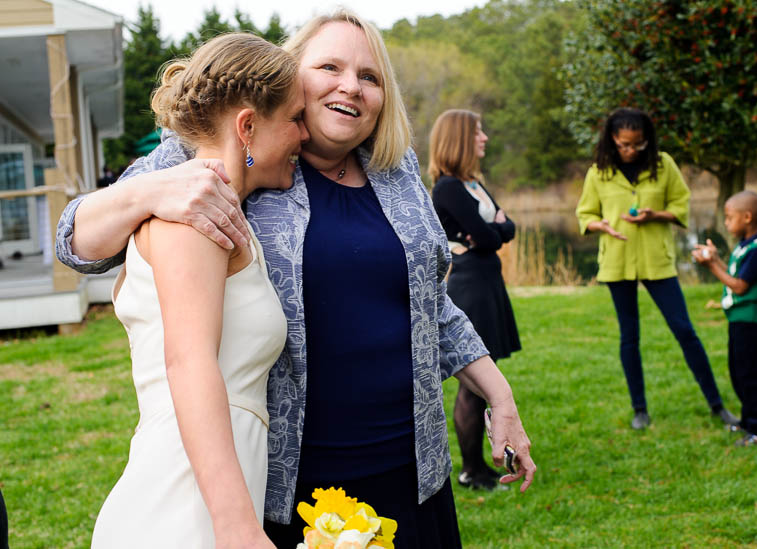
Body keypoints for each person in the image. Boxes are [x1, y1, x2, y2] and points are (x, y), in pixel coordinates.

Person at [56, 10, 536, 548]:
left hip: (411, 465)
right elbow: (76, 243)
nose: (350, 87)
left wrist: (500, 395)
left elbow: (429, 304)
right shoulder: (231, 150)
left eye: (370, 76)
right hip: (295, 482)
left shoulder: (394, 167)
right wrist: (145, 192)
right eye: (329, 66)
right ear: (292, 73)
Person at [87, 33, 305, 548]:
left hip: (212, 494)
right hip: (184, 505)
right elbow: (189, 362)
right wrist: (237, 527)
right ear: (247, 126)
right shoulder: (191, 216)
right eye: (295, 118)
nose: (305, 135)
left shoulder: (223, 210)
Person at [575, 107, 738, 430]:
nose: (631, 151)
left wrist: (656, 215)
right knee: (629, 337)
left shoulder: (663, 164)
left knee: (684, 331)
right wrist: (600, 226)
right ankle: (640, 410)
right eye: (624, 144)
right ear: (612, 140)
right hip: (617, 260)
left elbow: (681, 204)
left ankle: (717, 405)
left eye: (637, 144)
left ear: (647, 140)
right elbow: (585, 214)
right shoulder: (599, 172)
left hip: (657, 260)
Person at [429, 109, 521, 490]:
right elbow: (488, 236)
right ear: (461, 139)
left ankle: (479, 464)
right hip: (470, 285)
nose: (484, 138)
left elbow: (505, 230)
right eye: (478, 132)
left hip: (488, 280)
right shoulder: (448, 186)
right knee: (473, 381)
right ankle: (472, 469)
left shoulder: (473, 184)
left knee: (486, 374)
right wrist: (491, 230)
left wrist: (491, 231)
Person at [692, 190, 757, 446]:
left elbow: (740, 286)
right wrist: (716, 257)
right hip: (739, 319)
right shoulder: (745, 246)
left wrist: (711, 267)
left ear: (747, 217)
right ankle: (748, 420)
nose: (726, 223)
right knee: (739, 371)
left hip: (751, 319)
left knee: (753, 372)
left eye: (729, 217)